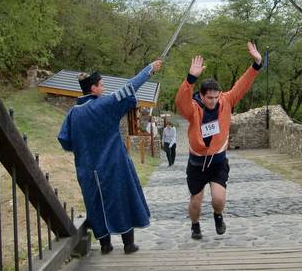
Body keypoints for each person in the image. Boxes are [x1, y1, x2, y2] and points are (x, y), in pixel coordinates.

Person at [57, 60, 163, 254]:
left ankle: (105, 245)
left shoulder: (73, 113)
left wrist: (82, 147)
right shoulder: (105, 105)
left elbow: (64, 140)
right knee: (121, 198)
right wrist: (150, 69)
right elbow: (130, 87)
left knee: (94, 203)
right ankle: (128, 245)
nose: (104, 88)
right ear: (93, 87)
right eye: (102, 85)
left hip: (87, 169)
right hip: (114, 165)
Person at [175, 41, 262, 240]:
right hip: (196, 164)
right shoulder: (193, 109)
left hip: (218, 162)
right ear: (202, 96)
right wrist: (190, 79)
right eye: (209, 98)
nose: (213, 101)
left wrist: (256, 64)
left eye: (216, 97)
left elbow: (242, 85)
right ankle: (195, 225)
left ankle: (218, 216)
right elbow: (181, 102)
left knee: (218, 198)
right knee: (196, 201)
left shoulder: (226, 101)